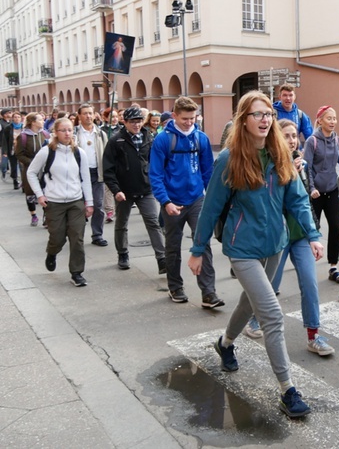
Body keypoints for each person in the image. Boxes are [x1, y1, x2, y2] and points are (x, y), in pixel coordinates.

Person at [187, 90, 323, 419]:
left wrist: (313, 234)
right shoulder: (229, 158)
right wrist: (197, 248)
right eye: (257, 115)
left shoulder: (280, 155)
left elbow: (299, 200)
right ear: (243, 120)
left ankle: (226, 342)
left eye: (268, 115)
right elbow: (211, 208)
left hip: (274, 244)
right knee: (272, 315)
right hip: (242, 248)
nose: (265, 120)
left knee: (250, 302)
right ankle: (287, 390)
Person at [244, 119, 335, 356]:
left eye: (294, 135)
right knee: (269, 285)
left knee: (310, 283)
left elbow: (304, 202)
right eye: (286, 135)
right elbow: (269, 201)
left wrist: (313, 234)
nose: (292, 140)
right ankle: (253, 319)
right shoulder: (270, 166)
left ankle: (314, 336)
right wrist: (288, 174)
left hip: (301, 235)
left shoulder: (301, 164)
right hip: (278, 236)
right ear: (276, 138)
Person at [149, 96, 223, 308]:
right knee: (172, 246)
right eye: (184, 119)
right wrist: (165, 201)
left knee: (202, 244)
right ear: (174, 116)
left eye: (193, 118)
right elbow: (155, 174)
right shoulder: (163, 140)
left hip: (197, 198)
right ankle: (175, 287)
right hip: (172, 201)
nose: (189, 122)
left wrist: (212, 197)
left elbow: (208, 171)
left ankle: (209, 292)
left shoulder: (201, 138)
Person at [26, 118, 94, 287]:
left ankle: (77, 273)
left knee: (77, 237)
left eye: (70, 130)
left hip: (76, 201)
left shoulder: (79, 153)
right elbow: (31, 173)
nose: (67, 133)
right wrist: (40, 195)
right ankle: (52, 252)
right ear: (55, 132)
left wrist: (89, 203)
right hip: (54, 202)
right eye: (63, 130)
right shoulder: (47, 152)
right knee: (57, 237)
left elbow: (85, 178)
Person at [102, 105, 166, 274]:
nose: (136, 125)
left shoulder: (149, 137)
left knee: (153, 222)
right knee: (121, 224)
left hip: (146, 189)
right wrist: (116, 190)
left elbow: (157, 163)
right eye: (132, 122)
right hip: (124, 191)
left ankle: (162, 258)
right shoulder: (116, 141)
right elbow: (108, 169)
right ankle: (123, 254)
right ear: (125, 122)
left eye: (139, 121)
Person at [303, 105, 339, 283]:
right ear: (320, 120)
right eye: (329, 118)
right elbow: (307, 168)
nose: (333, 122)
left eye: (335, 118)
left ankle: (333, 266)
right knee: (314, 229)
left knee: (335, 228)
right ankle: (306, 262)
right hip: (316, 193)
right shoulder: (312, 141)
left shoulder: (337, 141)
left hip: (332, 190)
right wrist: (311, 188)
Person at [73, 103, 109, 247]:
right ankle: (77, 235)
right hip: (78, 174)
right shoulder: (75, 133)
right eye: (85, 113)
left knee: (98, 205)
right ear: (79, 116)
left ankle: (97, 234)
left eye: (90, 113)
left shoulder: (100, 133)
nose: (88, 116)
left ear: (94, 115)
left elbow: (106, 153)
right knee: (78, 206)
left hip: (96, 173)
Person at [15, 113, 49, 227]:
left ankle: (46, 216)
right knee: (30, 193)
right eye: (40, 119)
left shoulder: (45, 134)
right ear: (33, 122)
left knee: (45, 191)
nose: (43, 121)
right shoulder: (23, 137)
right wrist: (33, 163)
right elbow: (19, 154)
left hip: (44, 169)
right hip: (30, 168)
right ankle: (33, 214)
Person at [2, 111, 23, 189]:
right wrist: (4, 151)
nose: (17, 119)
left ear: (21, 118)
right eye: (15, 117)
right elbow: (5, 140)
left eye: (18, 117)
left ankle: (24, 182)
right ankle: (15, 181)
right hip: (12, 150)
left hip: (22, 150)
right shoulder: (8, 128)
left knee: (22, 167)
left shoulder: (23, 127)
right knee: (13, 167)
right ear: (12, 118)